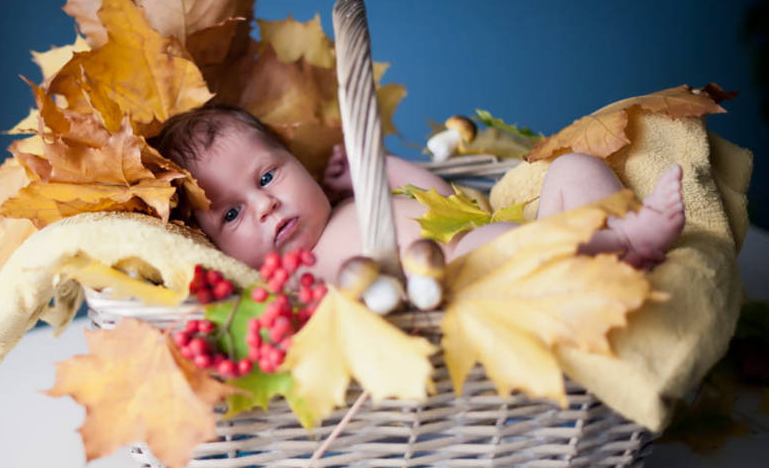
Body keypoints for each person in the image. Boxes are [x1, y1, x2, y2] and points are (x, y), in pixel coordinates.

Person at [151, 106, 685, 282]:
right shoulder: (297, 282)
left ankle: (619, 232)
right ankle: (618, 247)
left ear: (301, 165)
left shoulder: (349, 207)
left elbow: (438, 197)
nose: (265, 204)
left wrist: (375, 168)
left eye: (267, 176)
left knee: (574, 166)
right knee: (484, 251)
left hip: (506, 238)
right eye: (233, 213)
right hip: (468, 279)